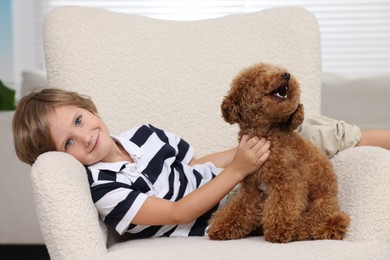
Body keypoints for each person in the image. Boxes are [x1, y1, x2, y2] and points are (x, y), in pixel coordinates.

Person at [12, 88, 390, 239]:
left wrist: (250, 148)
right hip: (220, 213)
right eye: (69, 143)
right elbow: (178, 212)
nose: (85, 136)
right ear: (61, 158)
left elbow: (195, 163)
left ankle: (375, 137)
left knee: (298, 132)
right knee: (290, 180)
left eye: (79, 121)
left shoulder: (144, 135)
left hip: (227, 179)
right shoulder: (105, 190)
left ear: (88, 108)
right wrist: (239, 169)